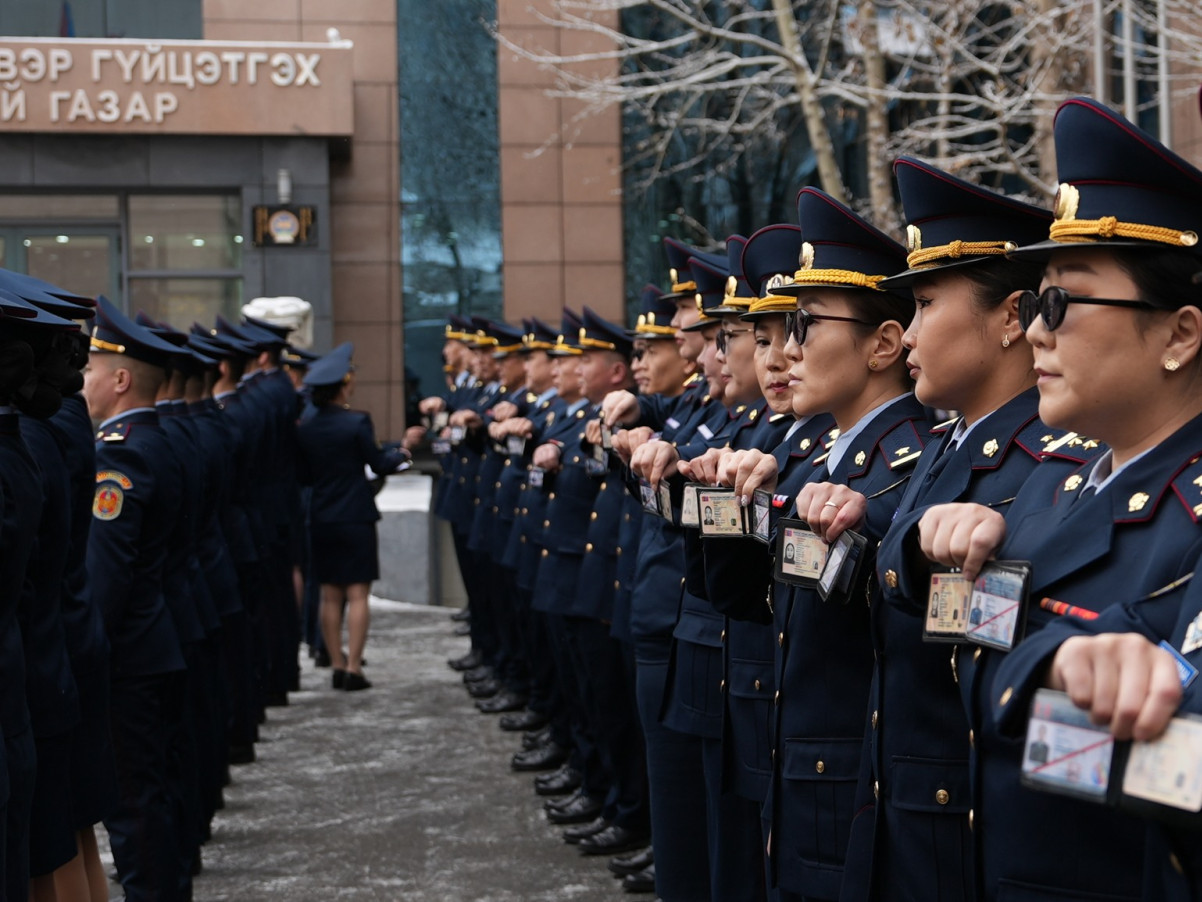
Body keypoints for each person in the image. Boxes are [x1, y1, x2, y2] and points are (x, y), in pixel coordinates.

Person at [916, 97, 1202, 902]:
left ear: (1180, 335)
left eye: (1062, 302)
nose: (1038, 331)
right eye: (1036, 303)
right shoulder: (1057, 479)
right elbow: (970, 646)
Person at [822, 157, 1099, 902]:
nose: (909, 332)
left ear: (1009, 318)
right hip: (902, 813)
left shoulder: (1051, 469)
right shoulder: (948, 445)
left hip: (967, 836)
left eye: (926, 305)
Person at [295, 343, 409, 691]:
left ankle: (336, 664)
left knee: (330, 595)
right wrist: (401, 453)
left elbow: (304, 475)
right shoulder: (357, 421)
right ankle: (355, 668)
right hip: (355, 515)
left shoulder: (305, 428)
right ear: (344, 382)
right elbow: (376, 463)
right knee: (358, 594)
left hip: (322, 515)